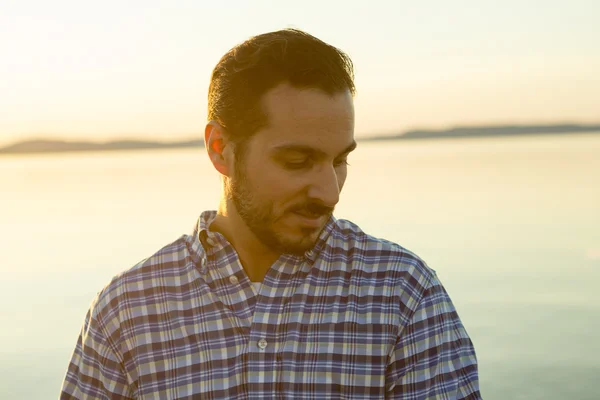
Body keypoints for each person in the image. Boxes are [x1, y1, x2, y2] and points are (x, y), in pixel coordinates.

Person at [61, 29, 481, 399]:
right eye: (298, 160)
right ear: (220, 148)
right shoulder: (126, 311)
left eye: (339, 161)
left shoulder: (401, 293)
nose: (329, 193)